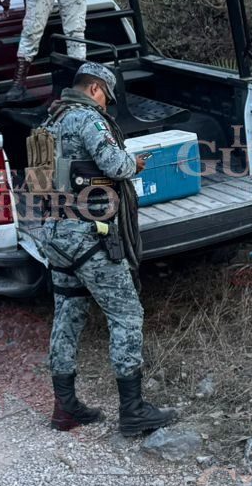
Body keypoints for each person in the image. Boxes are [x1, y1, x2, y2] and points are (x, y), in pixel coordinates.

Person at [36, 61, 178, 436]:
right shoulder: (88, 119)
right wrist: (136, 163)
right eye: (107, 98)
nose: (106, 106)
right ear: (97, 89)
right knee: (127, 315)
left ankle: (64, 407)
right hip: (88, 234)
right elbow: (114, 164)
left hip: (55, 234)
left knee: (68, 314)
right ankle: (132, 411)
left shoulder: (51, 120)